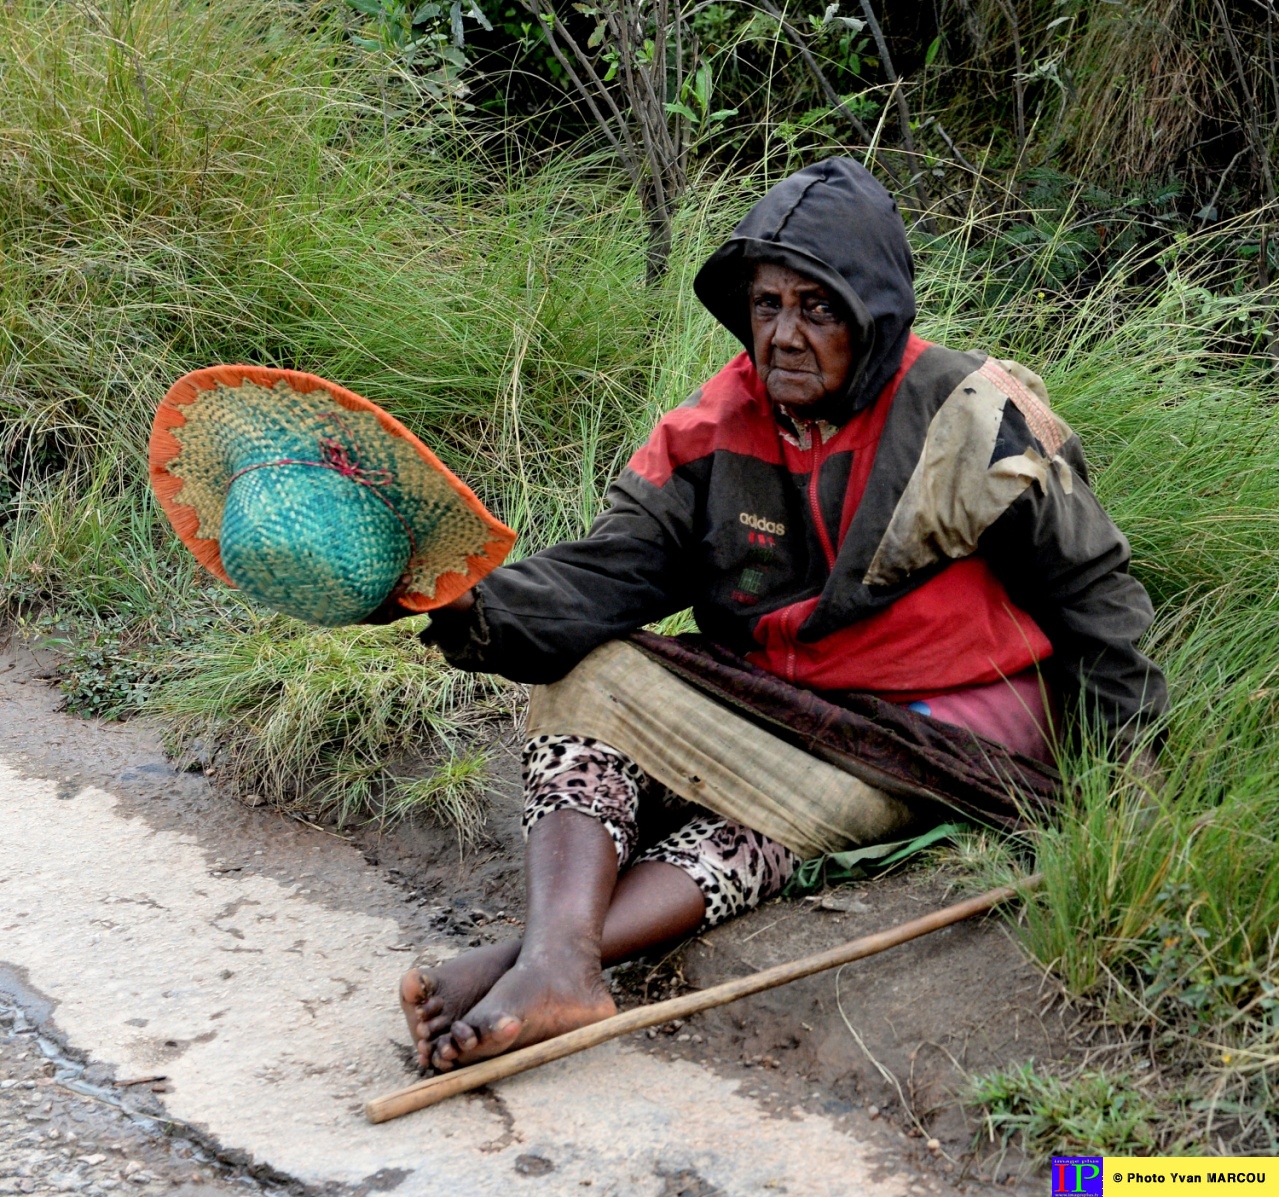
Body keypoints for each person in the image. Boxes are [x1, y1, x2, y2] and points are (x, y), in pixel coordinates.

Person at [394, 158, 1167, 1073]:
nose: (785, 336)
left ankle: (541, 956)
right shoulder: (710, 427)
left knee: (743, 777)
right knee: (593, 678)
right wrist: (451, 600)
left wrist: (1128, 793)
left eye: (819, 308)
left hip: (933, 736)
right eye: (767, 306)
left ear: (872, 316)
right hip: (777, 705)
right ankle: (557, 961)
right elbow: (601, 581)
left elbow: (1096, 597)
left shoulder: (970, 417)